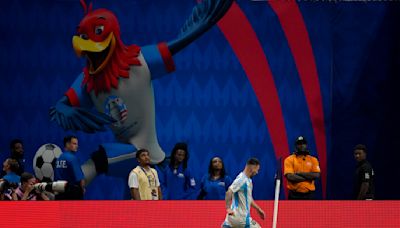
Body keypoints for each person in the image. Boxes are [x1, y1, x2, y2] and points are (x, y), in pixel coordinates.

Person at [222, 157, 265, 228]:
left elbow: (249, 199)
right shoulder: (242, 179)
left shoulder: (248, 180)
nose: (257, 172)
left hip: (232, 218)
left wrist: (258, 209)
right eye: (257, 170)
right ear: (252, 168)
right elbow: (229, 192)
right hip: (241, 218)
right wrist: (228, 208)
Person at [54, 135, 85, 200]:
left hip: (59, 192)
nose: (77, 146)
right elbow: (80, 178)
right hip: (72, 194)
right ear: (67, 144)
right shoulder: (72, 158)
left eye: (77, 144)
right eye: (74, 144)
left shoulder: (58, 158)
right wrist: (82, 190)